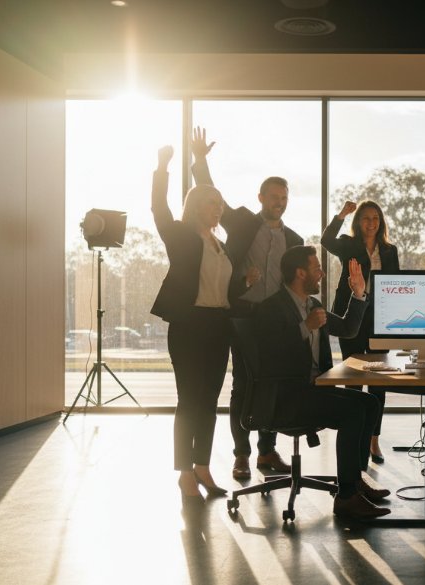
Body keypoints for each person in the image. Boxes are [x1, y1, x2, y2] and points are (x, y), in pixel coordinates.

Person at [190, 127, 299, 481]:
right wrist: (201, 160)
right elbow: (213, 194)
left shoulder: (294, 239)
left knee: (275, 383)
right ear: (261, 197)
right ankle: (242, 455)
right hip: (243, 318)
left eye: (283, 197)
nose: (278, 202)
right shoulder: (241, 222)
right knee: (244, 385)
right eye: (272, 197)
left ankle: (267, 452)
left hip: (277, 323)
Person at [253, 245, 391, 519]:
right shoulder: (271, 308)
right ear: (300, 273)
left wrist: (358, 294)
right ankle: (346, 497)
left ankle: (354, 480)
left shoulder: (312, 305)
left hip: (315, 391)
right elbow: (268, 356)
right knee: (352, 411)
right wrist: (305, 328)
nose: (322, 274)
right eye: (317, 269)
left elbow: (348, 329)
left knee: (369, 403)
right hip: (286, 397)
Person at [150, 145, 234, 499]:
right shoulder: (182, 236)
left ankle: (202, 466)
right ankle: (184, 471)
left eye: (219, 204)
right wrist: (162, 168)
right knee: (189, 401)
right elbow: (159, 209)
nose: (218, 209)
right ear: (197, 206)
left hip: (219, 325)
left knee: (210, 401)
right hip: (189, 325)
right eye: (212, 203)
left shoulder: (220, 243)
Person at [321, 200, 400, 464]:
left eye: (375, 218)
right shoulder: (348, 244)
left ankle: (373, 440)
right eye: (366, 218)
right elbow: (325, 240)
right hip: (351, 315)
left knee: (378, 380)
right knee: (353, 377)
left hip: (380, 319)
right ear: (358, 222)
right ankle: (353, 438)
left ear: (381, 222)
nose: (371, 223)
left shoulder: (389, 251)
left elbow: (395, 283)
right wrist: (341, 215)